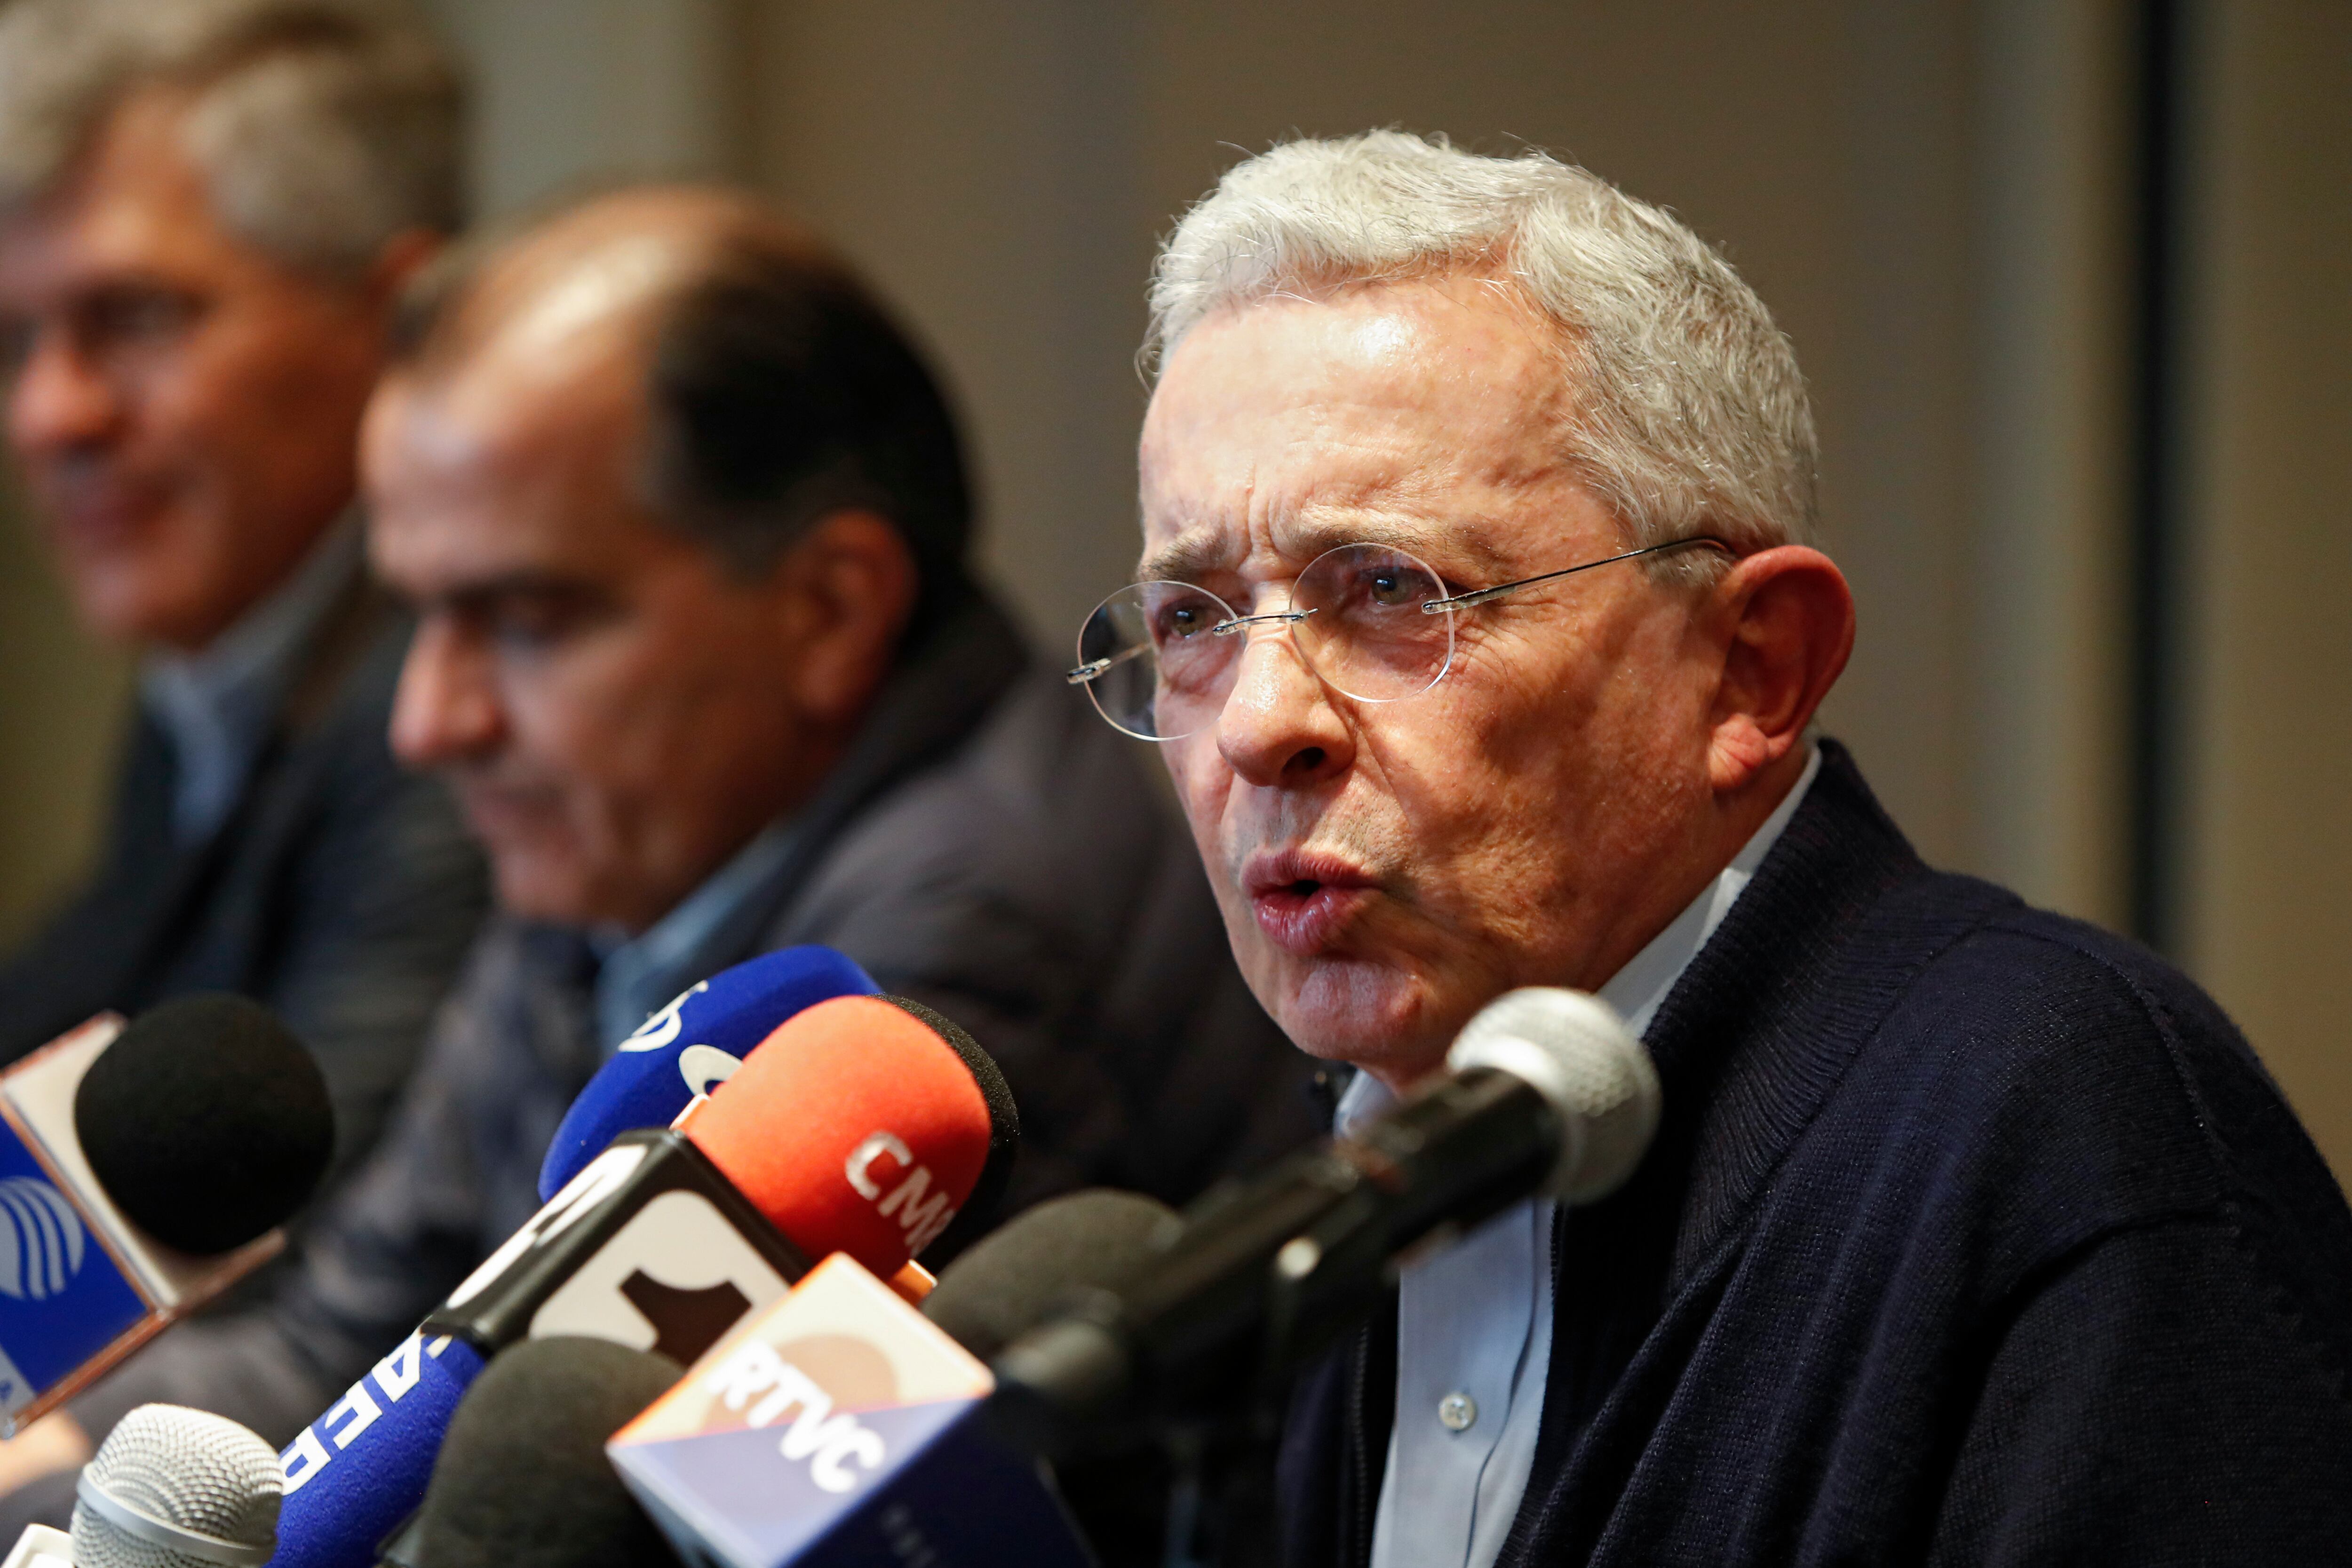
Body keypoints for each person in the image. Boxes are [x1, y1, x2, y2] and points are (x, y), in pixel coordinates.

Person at [1074, 131, 2352, 1565]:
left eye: (1391, 590)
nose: (1258, 727)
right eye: (1193, 618)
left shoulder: (2069, 1138)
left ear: (1752, 668)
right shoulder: (1343, 1172)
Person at [19, 185, 1314, 1510]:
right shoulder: (633, 838)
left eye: (519, 619)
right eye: (419, 623)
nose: (429, 721)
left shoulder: (945, 952)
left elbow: (604, 1500)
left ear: (826, 609)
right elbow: (352, 1351)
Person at [0, 0, 486, 1501]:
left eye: (134, 319)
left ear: (394, 321)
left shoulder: (459, 717)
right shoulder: (207, 681)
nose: (50, 413)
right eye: (16, 339)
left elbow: (286, 1255)